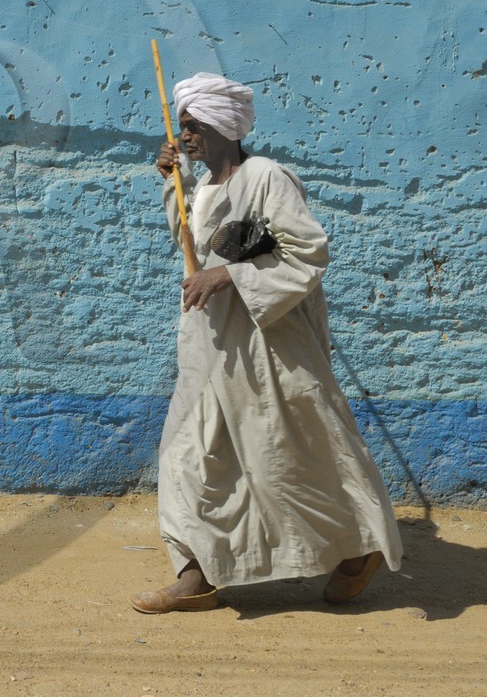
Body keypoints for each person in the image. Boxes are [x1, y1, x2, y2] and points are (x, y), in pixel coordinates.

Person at [132, 71, 403, 614]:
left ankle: (358, 549)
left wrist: (227, 276)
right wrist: (174, 182)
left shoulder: (267, 177)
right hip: (209, 344)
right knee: (187, 455)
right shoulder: (202, 186)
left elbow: (307, 252)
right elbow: (192, 248)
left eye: (194, 124)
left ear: (224, 126)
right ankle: (196, 574)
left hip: (267, 344)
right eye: (181, 125)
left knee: (291, 456)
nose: (185, 135)